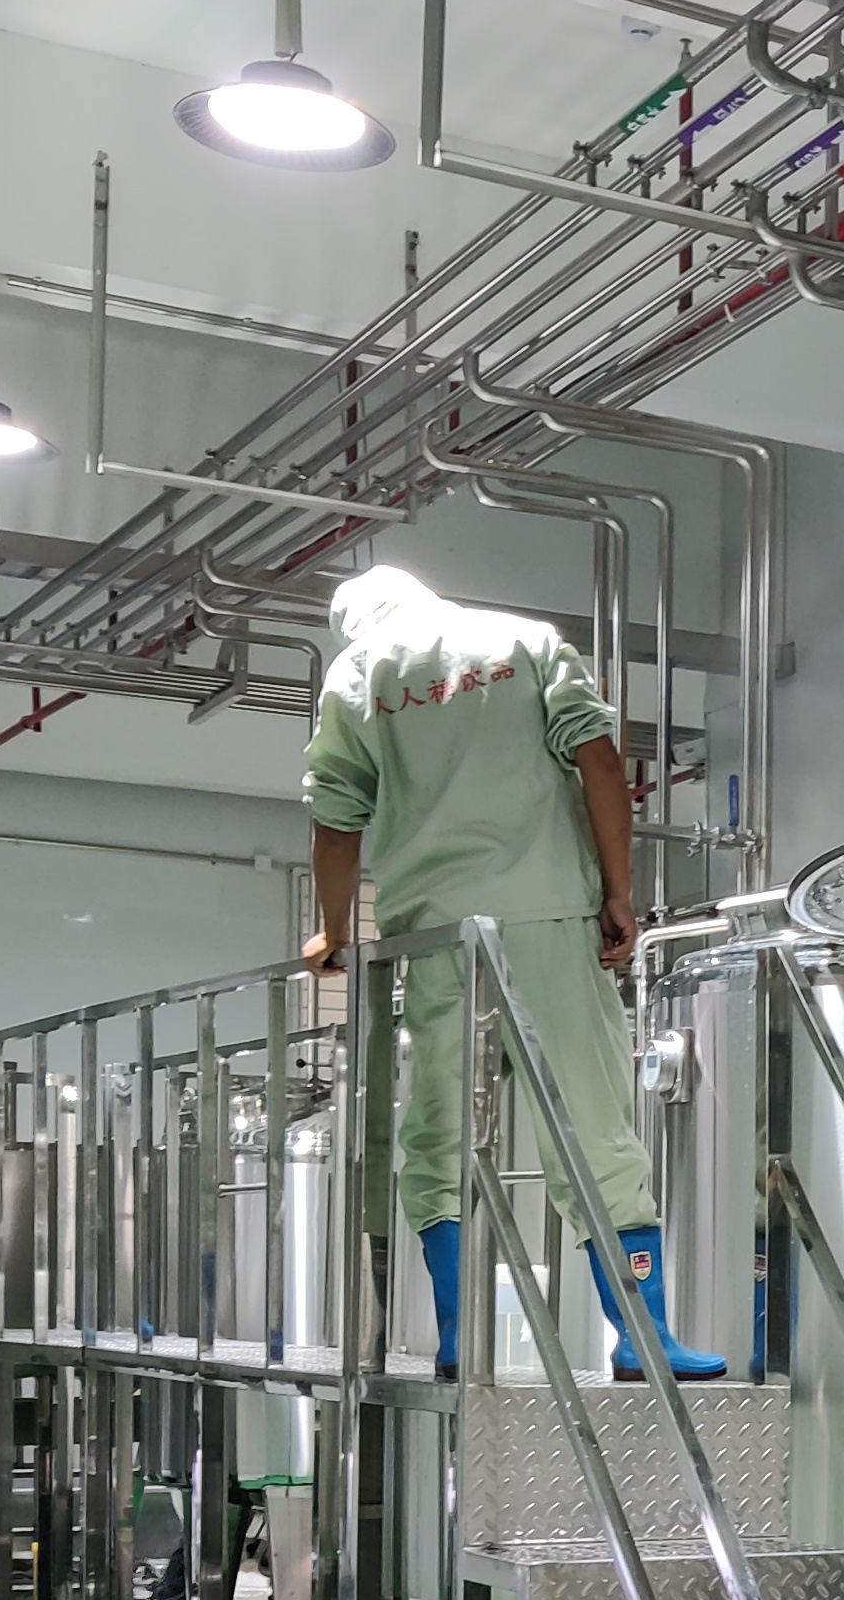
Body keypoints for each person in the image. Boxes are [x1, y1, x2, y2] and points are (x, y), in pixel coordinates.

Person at [299, 562, 720, 1380]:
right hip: (549, 914)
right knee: (594, 1126)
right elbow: (601, 761)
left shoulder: (357, 674)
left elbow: (335, 815)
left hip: (437, 935)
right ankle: (644, 1338)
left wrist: (335, 930)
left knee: (441, 1135)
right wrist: (619, 893)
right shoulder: (524, 640)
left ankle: (463, 1338)